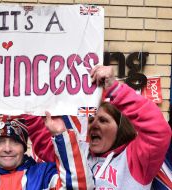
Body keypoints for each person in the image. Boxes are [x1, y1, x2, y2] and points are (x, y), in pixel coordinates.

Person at [26, 65, 172, 189]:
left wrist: (115, 89)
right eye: (90, 120)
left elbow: (158, 131)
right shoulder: (79, 150)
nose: (94, 125)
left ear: (121, 127)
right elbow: (46, 146)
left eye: (103, 120)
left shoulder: (135, 158)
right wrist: (27, 105)